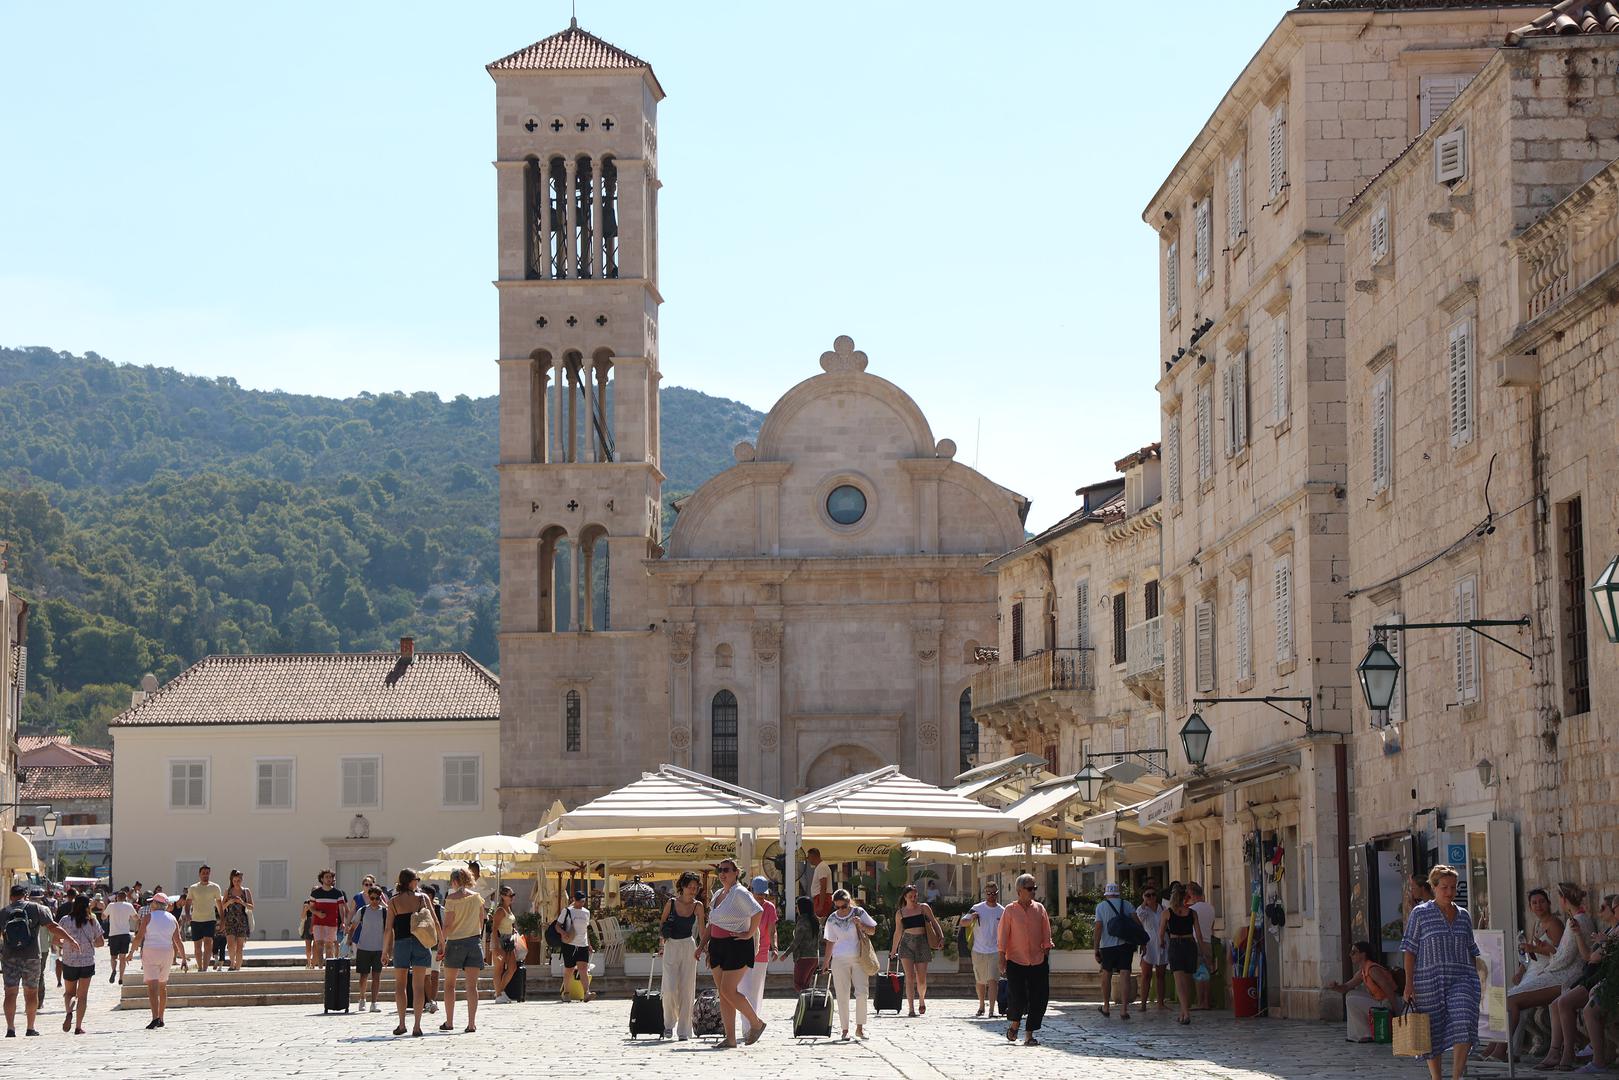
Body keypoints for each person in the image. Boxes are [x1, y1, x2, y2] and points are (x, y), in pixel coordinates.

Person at [1402, 864, 1481, 1080]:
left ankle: (1456, 1077)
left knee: (1464, 1020)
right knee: (1432, 1032)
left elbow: (1471, 949)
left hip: (1461, 979)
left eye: (1453, 888)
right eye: (1445, 887)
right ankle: (1436, 1078)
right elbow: (1409, 950)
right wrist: (1409, 984)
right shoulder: (1420, 914)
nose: (1449, 892)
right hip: (1428, 982)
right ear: (1434, 887)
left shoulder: (1464, 916)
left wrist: (1474, 980)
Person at [1480, 886, 1562, 1061]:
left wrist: (1535, 949)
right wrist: (1520, 971)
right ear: (1530, 907)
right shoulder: (1537, 924)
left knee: (1510, 1000)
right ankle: (1494, 1044)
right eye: (1534, 903)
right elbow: (1531, 955)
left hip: (1546, 972)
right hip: (1531, 970)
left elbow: (1559, 954)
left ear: (1548, 903)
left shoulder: (1554, 924)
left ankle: (1506, 1050)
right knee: (1498, 998)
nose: (1538, 905)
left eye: (1541, 902)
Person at [1542, 892, 1619, 1071]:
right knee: (1557, 1004)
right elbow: (1589, 957)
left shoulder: (1611, 933)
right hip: (1592, 977)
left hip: (1598, 979)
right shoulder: (1609, 932)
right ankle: (1564, 1053)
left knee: (1568, 1004)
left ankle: (1572, 1054)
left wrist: (1605, 944)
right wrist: (1578, 934)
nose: (1601, 912)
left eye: (1605, 908)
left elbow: (1594, 958)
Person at [702, 858, 767, 1047]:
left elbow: (758, 911)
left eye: (727, 870)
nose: (722, 873)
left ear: (736, 872)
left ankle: (756, 1023)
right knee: (724, 994)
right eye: (720, 870)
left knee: (728, 990)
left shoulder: (739, 892)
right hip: (717, 945)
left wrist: (748, 934)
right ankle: (730, 1039)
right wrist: (702, 946)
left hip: (736, 944)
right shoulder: (719, 894)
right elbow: (711, 922)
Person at [3, 883, 70, 1037]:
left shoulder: (4, 912)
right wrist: (70, 940)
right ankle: (30, 1028)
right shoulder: (37, 909)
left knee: (10, 993)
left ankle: (10, 1029)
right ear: (25, 895)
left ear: (11, 897)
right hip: (32, 956)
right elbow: (53, 926)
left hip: (9, 957)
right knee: (31, 993)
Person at [383, 869, 441, 1037]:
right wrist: (442, 942)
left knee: (400, 986)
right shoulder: (422, 898)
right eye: (417, 879)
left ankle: (401, 1024)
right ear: (410, 881)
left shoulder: (393, 902)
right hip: (421, 943)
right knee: (418, 986)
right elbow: (435, 921)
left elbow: (388, 929)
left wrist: (385, 950)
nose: (418, 882)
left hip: (401, 943)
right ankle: (417, 1026)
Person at [999, 873, 1053, 1046]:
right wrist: (1002, 957)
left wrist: (1046, 952)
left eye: (1034, 888)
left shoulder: (1040, 909)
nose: (1033, 891)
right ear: (1019, 891)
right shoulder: (1010, 910)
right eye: (1030, 888)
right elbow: (1003, 936)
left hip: (1038, 960)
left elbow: (1046, 931)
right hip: (1016, 960)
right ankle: (1015, 1023)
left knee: (1040, 998)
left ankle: (1029, 1034)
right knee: (1018, 996)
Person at [820, 888, 877, 1041]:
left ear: (848, 902)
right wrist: (826, 962)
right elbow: (830, 941)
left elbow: (872, 930)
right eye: (837, 907)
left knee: (862, 992)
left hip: (859, 958)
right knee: (842, 994)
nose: (841, 910)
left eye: (843, 906)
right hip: (839, 960)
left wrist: (861, 925)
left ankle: (860, 1027)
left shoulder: (859, 912)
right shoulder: (832, 919)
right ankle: (845, 1029)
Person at [658, 871, 705, 1039]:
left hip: (688, 946)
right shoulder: (671, 903)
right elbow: (662, 923)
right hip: (671, 946)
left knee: (687, 988)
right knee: (669, 988)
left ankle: (684, 1030)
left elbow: (702, 928)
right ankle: (669, 1023)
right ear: (682, 887)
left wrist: (703, 947)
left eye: (695, 887)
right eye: (690, 886)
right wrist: (661, 945)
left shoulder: (698, 905)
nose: (693, 890)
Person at [438, 868, 484, 1033]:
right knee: (472, 986)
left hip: (455, 942)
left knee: (450, 984)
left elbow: (448, 925)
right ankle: (471, 1023)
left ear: (455, 881)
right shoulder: (477, 897)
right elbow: (482, 919)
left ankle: (449, 1022)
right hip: (473, 941)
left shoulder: (451, 899)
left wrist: (441, 944)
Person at [1328, 940, 1401, 1042]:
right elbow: (1346, 987)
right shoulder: (1363, 971)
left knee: (1352, 1000)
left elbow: (1388, 990)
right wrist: (1335, 987)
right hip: (1379, 1001)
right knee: (1350, 995)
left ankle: (1366, 1034)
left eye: (1354, 952)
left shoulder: (1372, 969)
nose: (1350, 955)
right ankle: (1354, 1035)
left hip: (1387, 1003)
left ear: (1363, 954)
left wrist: (1396, 1012)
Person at [133, 892, 185, 1029]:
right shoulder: (172, 918)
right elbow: (178, 940)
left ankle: (155, 1017)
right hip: (167, 952)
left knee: (152, 987)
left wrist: (131, 953)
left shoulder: (148, 917)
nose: (150, 905)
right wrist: (184, 958)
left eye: (152, 902)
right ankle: (161, 1017)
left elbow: (139, 937)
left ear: (156, 904)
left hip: (151, 951)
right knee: (162, 986)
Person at [890, 883, 943, 1017]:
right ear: (905, 897)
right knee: (909, 977)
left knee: (921, 978)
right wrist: (893, 950)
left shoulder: (923, 908)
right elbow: (898, 932)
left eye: (915, 896)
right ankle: (911, 1008)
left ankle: (921, 1000)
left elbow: (934, 922)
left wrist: (940, 937)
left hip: (922, 942)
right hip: (907, 943)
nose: (913, 898)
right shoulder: (900, 913)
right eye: (910, 896)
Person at [737, 876, 778, 1042]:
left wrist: (774, 947)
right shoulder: (743, 906)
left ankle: (752, 1027)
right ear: (751, 891)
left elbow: (772, 930)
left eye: (764, 894)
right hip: (743, 953)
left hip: (761, 954)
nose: (762, 897)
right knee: (742, 990)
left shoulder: (769, 908)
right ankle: (747, 1027)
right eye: (759, 894)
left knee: (756, 992)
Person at [1157, 884, 1204, 1025]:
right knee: (1188, 981)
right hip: (1190, 944)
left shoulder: (1167, 913)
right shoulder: (1192, 913)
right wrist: (1202, 951)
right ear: (1185, 897)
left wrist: (1162, 943)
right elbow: (1199, 935)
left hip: (1175, 944)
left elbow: (1161, 934)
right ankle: (1184, 1012)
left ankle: (1185, 1012)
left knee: (1179, 981)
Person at [57, 894, 104, 1035]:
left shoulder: (65, 920)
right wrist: (90, 944)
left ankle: (69, 1012)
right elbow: (101, 942)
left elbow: (55, 939)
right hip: (87, 962)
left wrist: (64, 944)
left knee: (69, 993)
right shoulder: (92, 920)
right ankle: (78, 1026)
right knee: (82, 996)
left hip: (69, 962)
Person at [1093, 881, 1136, 1019]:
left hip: (1107, 946)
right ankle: (1124, 1009)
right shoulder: (1128, 905)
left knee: (1106, 974)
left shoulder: (1101, 907)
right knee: (1125, 975)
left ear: (1106, 894)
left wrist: (1096, 948)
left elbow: (1098, 928)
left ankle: (1106, 1006)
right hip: (1125, 945)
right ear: (1118, 893)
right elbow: (1137, 924)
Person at [962, 881, 1005, 1017]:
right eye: (989, 893)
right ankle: (981, 1005)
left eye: (994, 893)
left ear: (997, 893)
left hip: (995, 951)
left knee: (993, 980)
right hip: (978, 950)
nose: (991, 896)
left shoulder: (1002, 911)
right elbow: (963, 922)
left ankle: (992, 1009)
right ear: (985, 893)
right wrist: (972, 919)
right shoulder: (977, 908)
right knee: (980, 981)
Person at [349, 885, 388, 1013]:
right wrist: (350, 938)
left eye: (377, 898)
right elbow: (353, 926)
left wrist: (388, 949)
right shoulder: (363, 910)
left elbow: (389, 930)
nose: (375, 901)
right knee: (363, 976)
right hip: (364, 947)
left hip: (379, 948)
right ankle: (362, 999)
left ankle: (374, 1002)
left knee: (377, 976)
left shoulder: (384, 912)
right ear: (369, 898)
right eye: (372, 898)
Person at [182, 865, 223, 974]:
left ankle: (205, 968)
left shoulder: (215, 887)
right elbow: (188, 903)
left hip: (210, 919)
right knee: (197, 945)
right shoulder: (193, 888)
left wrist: (222, 919)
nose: (205, 875)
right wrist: (187, 914)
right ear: (199, 874)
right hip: (196, 920)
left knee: (208, 944)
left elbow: (219, 904)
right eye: (203, 873)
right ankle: (199, 967)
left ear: (210, 874)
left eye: (207, 873)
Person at [1136, 885, 1168, 1011]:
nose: (1151, 897)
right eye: (1147, 895)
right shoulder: (1142, 910)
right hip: (1148, 943)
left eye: (1153, 894)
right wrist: (1145, 902)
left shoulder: (1163, 908)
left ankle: (1161, 1003)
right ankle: (1143, 1004)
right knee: (1146, 975)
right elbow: (1139, 918)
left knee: (1161, 975)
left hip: (1161, 942)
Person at [308, 869, 347, 967]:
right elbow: (311, 907)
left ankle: (329, 968)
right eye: (327, 877)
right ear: (322, 879)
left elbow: (341, 908)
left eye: (331, 877)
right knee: (319, 945)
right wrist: (317, 913)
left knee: (329, 945)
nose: (329, 879)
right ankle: (321, 967)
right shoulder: (315, 893)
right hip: (318, 923)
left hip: (332, 923)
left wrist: (343, 922)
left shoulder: (338, 893)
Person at [486, 886, 518, 1004]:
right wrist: (496, 946)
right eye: (510, 895)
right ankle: (499, 994)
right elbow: (494, 929)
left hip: (509, 940)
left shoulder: (509, 908)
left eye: (513, 895)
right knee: (499, 969)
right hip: (500, 940)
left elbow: (510, 924)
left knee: (512, 967)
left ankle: (499, 991)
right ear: (503, 896)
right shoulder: (500, 910)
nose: (512, 897)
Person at [1187, 881, 1216, 1009]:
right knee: (1207, 973)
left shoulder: (1192, 910)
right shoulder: (1211, 908)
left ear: (1192, 894)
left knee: (1198, 974)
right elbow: (1212, 926)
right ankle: (1207, 1001)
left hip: (1196, 942)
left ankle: (1201, 1002)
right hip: (1208, 942)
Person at [218, 870, 253, 972]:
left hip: (242, 921)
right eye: (235, 880)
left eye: (238, 880)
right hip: (230, 920)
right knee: (231, 944)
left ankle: (237, 967)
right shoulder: (228, 892)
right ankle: (232, 964)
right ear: (232, 880)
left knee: (240, 946)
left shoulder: (246, 891)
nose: (237, 882)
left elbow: (251, 906)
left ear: (241, 880)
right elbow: (222, 907)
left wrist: (242, 902)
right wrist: (230, 901)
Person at [105, 888, 137, 986]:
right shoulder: (129, 905)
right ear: (125, 898)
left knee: (113, 957)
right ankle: (121, 978)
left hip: (113, 934)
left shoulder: (111, 905)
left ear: (117, 898)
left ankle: (114, 970)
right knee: (122, 957)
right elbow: (136, 918)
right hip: (124, 934)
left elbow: (103, 916)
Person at [789, 895, 820, 993]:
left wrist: (785, 954)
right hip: (814, 958)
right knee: (806, 986)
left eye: (797, 906)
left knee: (799, 985)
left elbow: (796, 941)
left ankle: (807, 1005)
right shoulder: (815, 921)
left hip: (803, 958)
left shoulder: (802, 921)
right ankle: (806, 1006)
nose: (796, 908)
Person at [807, 848, 833, 919]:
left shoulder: (822, 867)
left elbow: (823, 886)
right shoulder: (820, 867)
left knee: (821, 919)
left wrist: (821, 905)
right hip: (820, 898)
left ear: (813, 856)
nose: (808, 859)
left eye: (808, 857)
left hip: (822, 898)